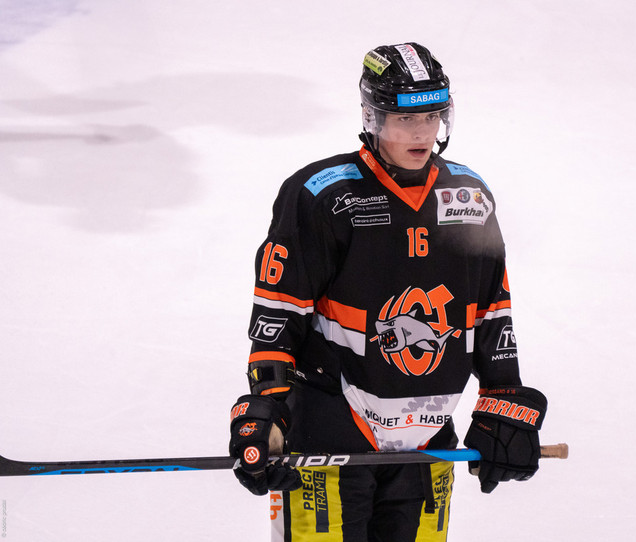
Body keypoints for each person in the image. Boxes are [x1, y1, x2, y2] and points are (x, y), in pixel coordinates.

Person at [228, 42, 548, 541]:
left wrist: (502, 397)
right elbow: (278, 315)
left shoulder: (467, 197)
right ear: (373, 118)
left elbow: (491, 312)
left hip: (427, 442)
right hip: (331, 438)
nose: (422, 132)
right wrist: (267, 407)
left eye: (433, 116)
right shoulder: (323, 195)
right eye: (405, 119)